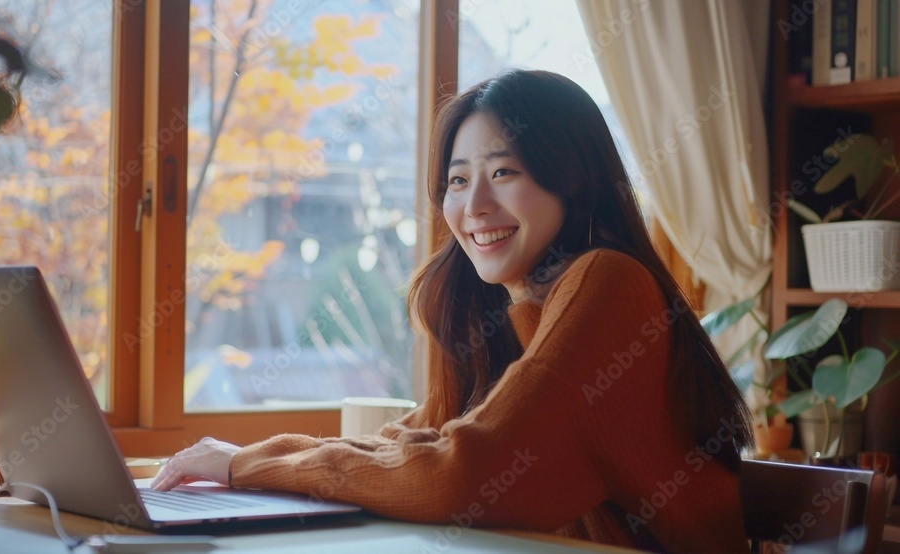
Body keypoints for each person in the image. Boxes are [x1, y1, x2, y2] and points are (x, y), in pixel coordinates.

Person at [151, 69, 752, 552]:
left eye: (504, 173)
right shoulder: (501, 310)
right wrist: (245, 462)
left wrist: (247, 466)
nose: (474, 206)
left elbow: (459, 478)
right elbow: (411, 445)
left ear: (574, 180)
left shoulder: (608, 282)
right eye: (458, 181)